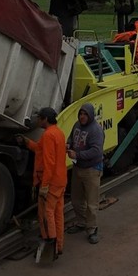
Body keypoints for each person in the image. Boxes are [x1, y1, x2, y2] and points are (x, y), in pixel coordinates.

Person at [20, 107, 68, 259]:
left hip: (51, 182)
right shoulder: (58, 132)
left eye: (40, 118)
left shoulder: (48, 135)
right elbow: (38, 149)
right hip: (60, 180)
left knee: (47, 214)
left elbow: (49, 163)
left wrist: (45, 186)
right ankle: (59, 246)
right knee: (58, 214)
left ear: (45, 119)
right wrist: (26, 141)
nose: (38, 120)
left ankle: (49, 246)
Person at [65, 103, 105, 244]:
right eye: (81, 114)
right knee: (76, 200)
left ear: (91, 115)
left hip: (92, 170)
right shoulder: (77, 125)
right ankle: (82, 223)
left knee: (91, 203)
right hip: (78, 168)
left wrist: (78, 155)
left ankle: (92, 229)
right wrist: (69, 144)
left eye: (85, 114)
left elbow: (96, 151)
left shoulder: (96, 130)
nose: (82, 117)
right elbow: (71, 137)